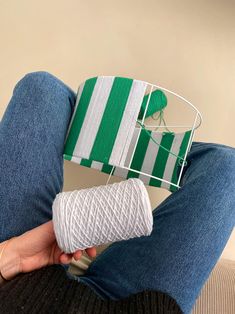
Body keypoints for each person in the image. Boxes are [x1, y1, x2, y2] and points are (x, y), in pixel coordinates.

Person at [0, 72, 234, 314]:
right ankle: (123, 134)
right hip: (138, 302)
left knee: (42, 88)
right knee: (227, 166)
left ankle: (114, 129)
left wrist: (9, 256)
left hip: (16, 278)